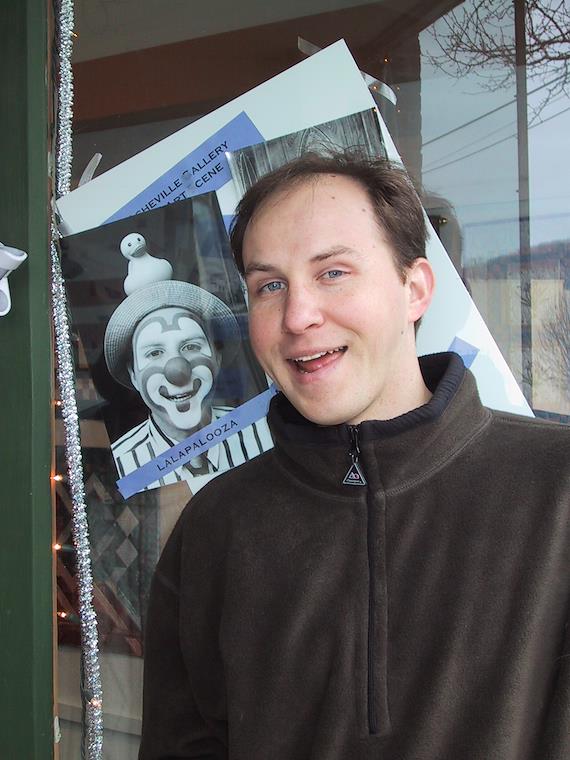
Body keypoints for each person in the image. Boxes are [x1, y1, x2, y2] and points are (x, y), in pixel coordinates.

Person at [138, 152, 570, 760]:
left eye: (333, 272)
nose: (298, 316)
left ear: (415, 289)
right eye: (269, 286)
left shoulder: (555, 491)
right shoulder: (215, 527)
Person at [104, 275, 272, 493]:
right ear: (133, 374)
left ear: (217, 358)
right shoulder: (118, 464)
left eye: (191, 347)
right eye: (154, 353)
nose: (177, 370)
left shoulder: (264, 432)